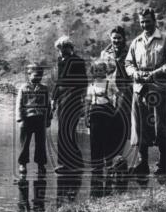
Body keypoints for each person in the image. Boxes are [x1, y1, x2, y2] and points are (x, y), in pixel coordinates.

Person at [125, 9, 166, 175]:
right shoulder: (136, 42)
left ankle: (164, 164)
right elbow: (128, 63)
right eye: (142, 22)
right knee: (140, 126)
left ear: (154, 21)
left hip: (160, 89)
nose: (145, 25)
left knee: (161, 126)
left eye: (147, 21)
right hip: (140, 89)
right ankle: (143, 164)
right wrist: (135, 73)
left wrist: (156, 73)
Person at [51, 36, 87, 173]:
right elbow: (59, 82)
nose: (60, 52)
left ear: (68, 48)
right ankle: (68, 163)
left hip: (73, 99)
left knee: (68, 131)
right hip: (62, 100)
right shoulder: (61, 61)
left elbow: (83, 83)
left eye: (62, 48)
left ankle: (73, 163)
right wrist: (54, 99)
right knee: (63, 131)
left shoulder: (78, 61)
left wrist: (82, 101)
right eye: (59, 49)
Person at [100, 26, 132, 167]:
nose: (116, 40)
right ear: (110, 38)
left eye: (119, 38)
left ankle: (120, 157)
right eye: (114, 38)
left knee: (122, 125)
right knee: (107, 125)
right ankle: (109, 157)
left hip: (125, 92)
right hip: (108, 92)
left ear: (124, 38)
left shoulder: (131, 52)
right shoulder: (105, 54)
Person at [15, 62, 51, 177]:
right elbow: (19, 104)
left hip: (40, 119)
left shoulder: (44, 89)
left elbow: (48, 105)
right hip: (27, 119)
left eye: (39, 75)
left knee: (40, 144)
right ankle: (23, 164)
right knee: (24, 143)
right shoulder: (23, 88)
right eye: (34, 75)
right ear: (29, 75)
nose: (37, 77)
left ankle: (41, 165)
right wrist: (19, 118)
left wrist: (48, 118)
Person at [85, 60, 119, 173]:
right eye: (96, 70)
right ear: (93, 72)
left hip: (108, 113)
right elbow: (88, 102)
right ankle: (96, 164)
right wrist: (86, 116)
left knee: (108, 138)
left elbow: (119, 95)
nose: (98, 73)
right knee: (95, 139)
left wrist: (117, 109)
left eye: (101, 70)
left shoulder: (110, 83)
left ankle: (109, 162)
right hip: (94, 114)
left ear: (105, 71)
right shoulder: (91, 86)